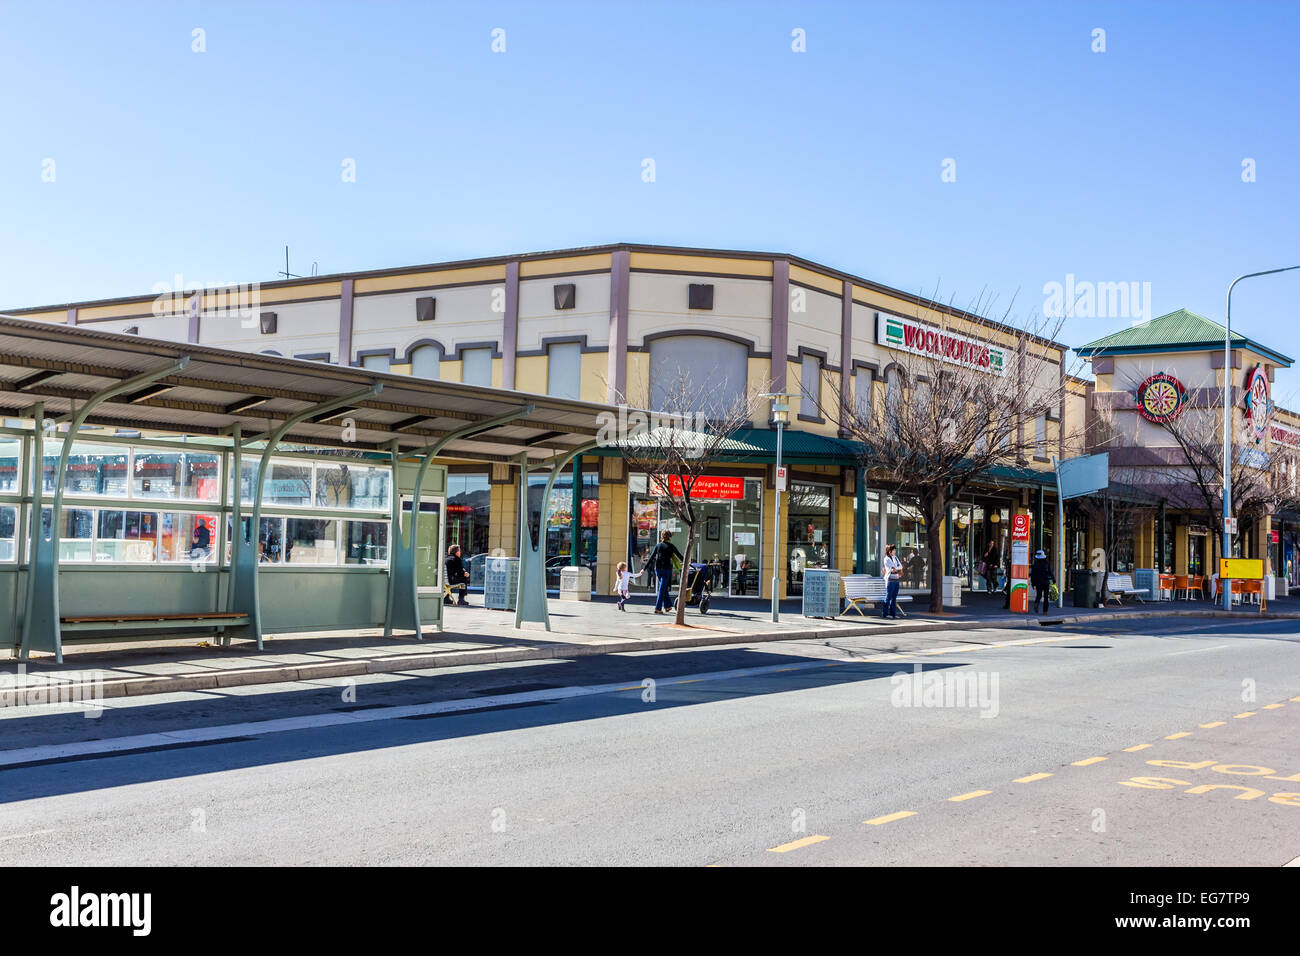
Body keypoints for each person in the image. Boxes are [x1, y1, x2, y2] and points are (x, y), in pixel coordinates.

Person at [648, 530, 683, 614]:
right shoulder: (671, 546)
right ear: (670, 537)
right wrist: (689, 562)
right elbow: (679, 556)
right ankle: (658, 608)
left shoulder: (658, 545)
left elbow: (651, 557)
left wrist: (644, 568)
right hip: (666, 569)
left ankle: (667, 606)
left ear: (661, 536)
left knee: (663, 587)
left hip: (658, 569)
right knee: (662, 588)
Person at [1030, 548, 1055, 614]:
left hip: (1038, 582)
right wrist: (1053, 580)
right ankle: (1045, 611)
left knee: (1039, 595)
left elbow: (1032, 575)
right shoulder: (1047, 563)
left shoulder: (1034, 565)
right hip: (1046, 582)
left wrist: (1033, 583)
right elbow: (1050, 572)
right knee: (1046, 597)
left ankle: (1036, 603)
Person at [882, 543, 903, 619]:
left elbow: (900, 566)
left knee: (894, 598)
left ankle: (893, 614)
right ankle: (885, 614)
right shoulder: (886, 559)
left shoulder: (895, 558)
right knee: (888, 597)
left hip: (896, 580)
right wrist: (896, 568)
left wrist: (896, 569)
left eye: (895, 550)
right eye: (894, 550)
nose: (895, 551)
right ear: (889, 551)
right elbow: (892, 568)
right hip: (890, 581)